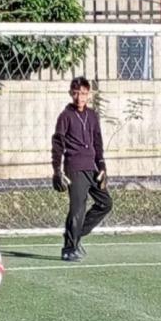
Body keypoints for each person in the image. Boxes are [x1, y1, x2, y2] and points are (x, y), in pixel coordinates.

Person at [51, 76, 113, 262]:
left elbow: (97, 142)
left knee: (105, 203)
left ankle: (75, 235)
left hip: (91, 168)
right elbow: (57, 144)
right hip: (74, 169)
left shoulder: (92, 116)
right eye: (76, 93)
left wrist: (102, 166)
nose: (80, 97)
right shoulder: (65, 116)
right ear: (71, 93)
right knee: (77, 209)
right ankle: (69, 249)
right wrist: (57, 170)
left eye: (84, 93)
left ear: (89, 95)